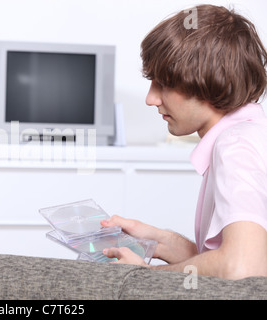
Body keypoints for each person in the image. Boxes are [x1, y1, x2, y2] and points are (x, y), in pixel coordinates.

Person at [102, 5, 267, 279]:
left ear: (211, 81)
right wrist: (158, 241)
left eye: (164, 84)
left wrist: (146, 277)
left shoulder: (236, 147)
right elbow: (225, 263)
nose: (150, 99)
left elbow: (244, 267)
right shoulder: (248, 134)